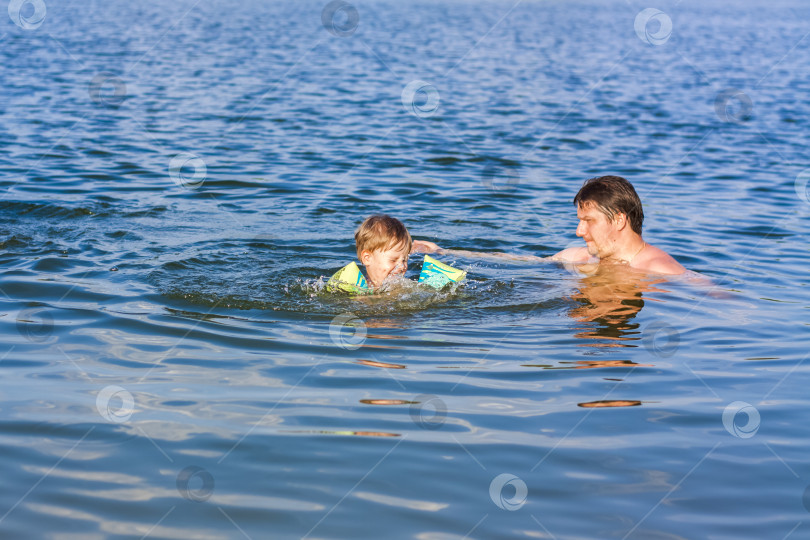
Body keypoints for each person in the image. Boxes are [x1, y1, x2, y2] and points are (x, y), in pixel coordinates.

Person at [412, 175, 686, 275]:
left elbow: (712, 296)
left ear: (619, 219)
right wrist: (443, 253)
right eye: (580, 222)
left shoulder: (660, 271)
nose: (579, 232)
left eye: (588, 222)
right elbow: (522, 262)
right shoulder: (579, 256)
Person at [329, 214, 412, 292]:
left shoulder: (404, 287)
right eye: (393, 260)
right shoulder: (357, 292)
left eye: (405, 260)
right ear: (367, 258)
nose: (402, 266)